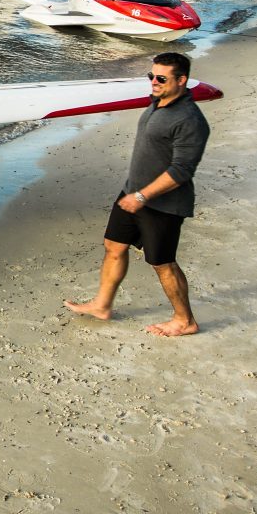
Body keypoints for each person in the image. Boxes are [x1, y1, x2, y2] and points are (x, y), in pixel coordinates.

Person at [64, 52, 211, 337]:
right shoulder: (159, 101)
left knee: (162, 263)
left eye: (161, 78)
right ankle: (102, 305)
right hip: (132, 193)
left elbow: (182, 171)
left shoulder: (189, 119)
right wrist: (135, 193)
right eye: (151, 76)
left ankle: (185, 320)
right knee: (113, 245)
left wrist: (142, 196)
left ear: (182, 80)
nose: (153, 82)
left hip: (163, 204)